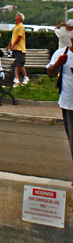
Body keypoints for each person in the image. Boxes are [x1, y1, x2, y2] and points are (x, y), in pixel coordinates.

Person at [46, 27, 73, 163]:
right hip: (68, 103)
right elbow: (50, 74)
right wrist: (58, 63)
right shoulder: (62, 53)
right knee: (72, 140)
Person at [8, 11, 28, 87]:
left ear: (21, 18)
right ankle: (16, 78)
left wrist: (13, 45)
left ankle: (24, 77)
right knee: (15, 64)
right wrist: (9, 45)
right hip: (15, 48)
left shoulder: (21, 26)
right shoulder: (16, 26)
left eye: (18, 15)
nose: (16, 15)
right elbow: (13, 37)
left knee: (19, 64)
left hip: (20, 48)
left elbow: (19, 37)